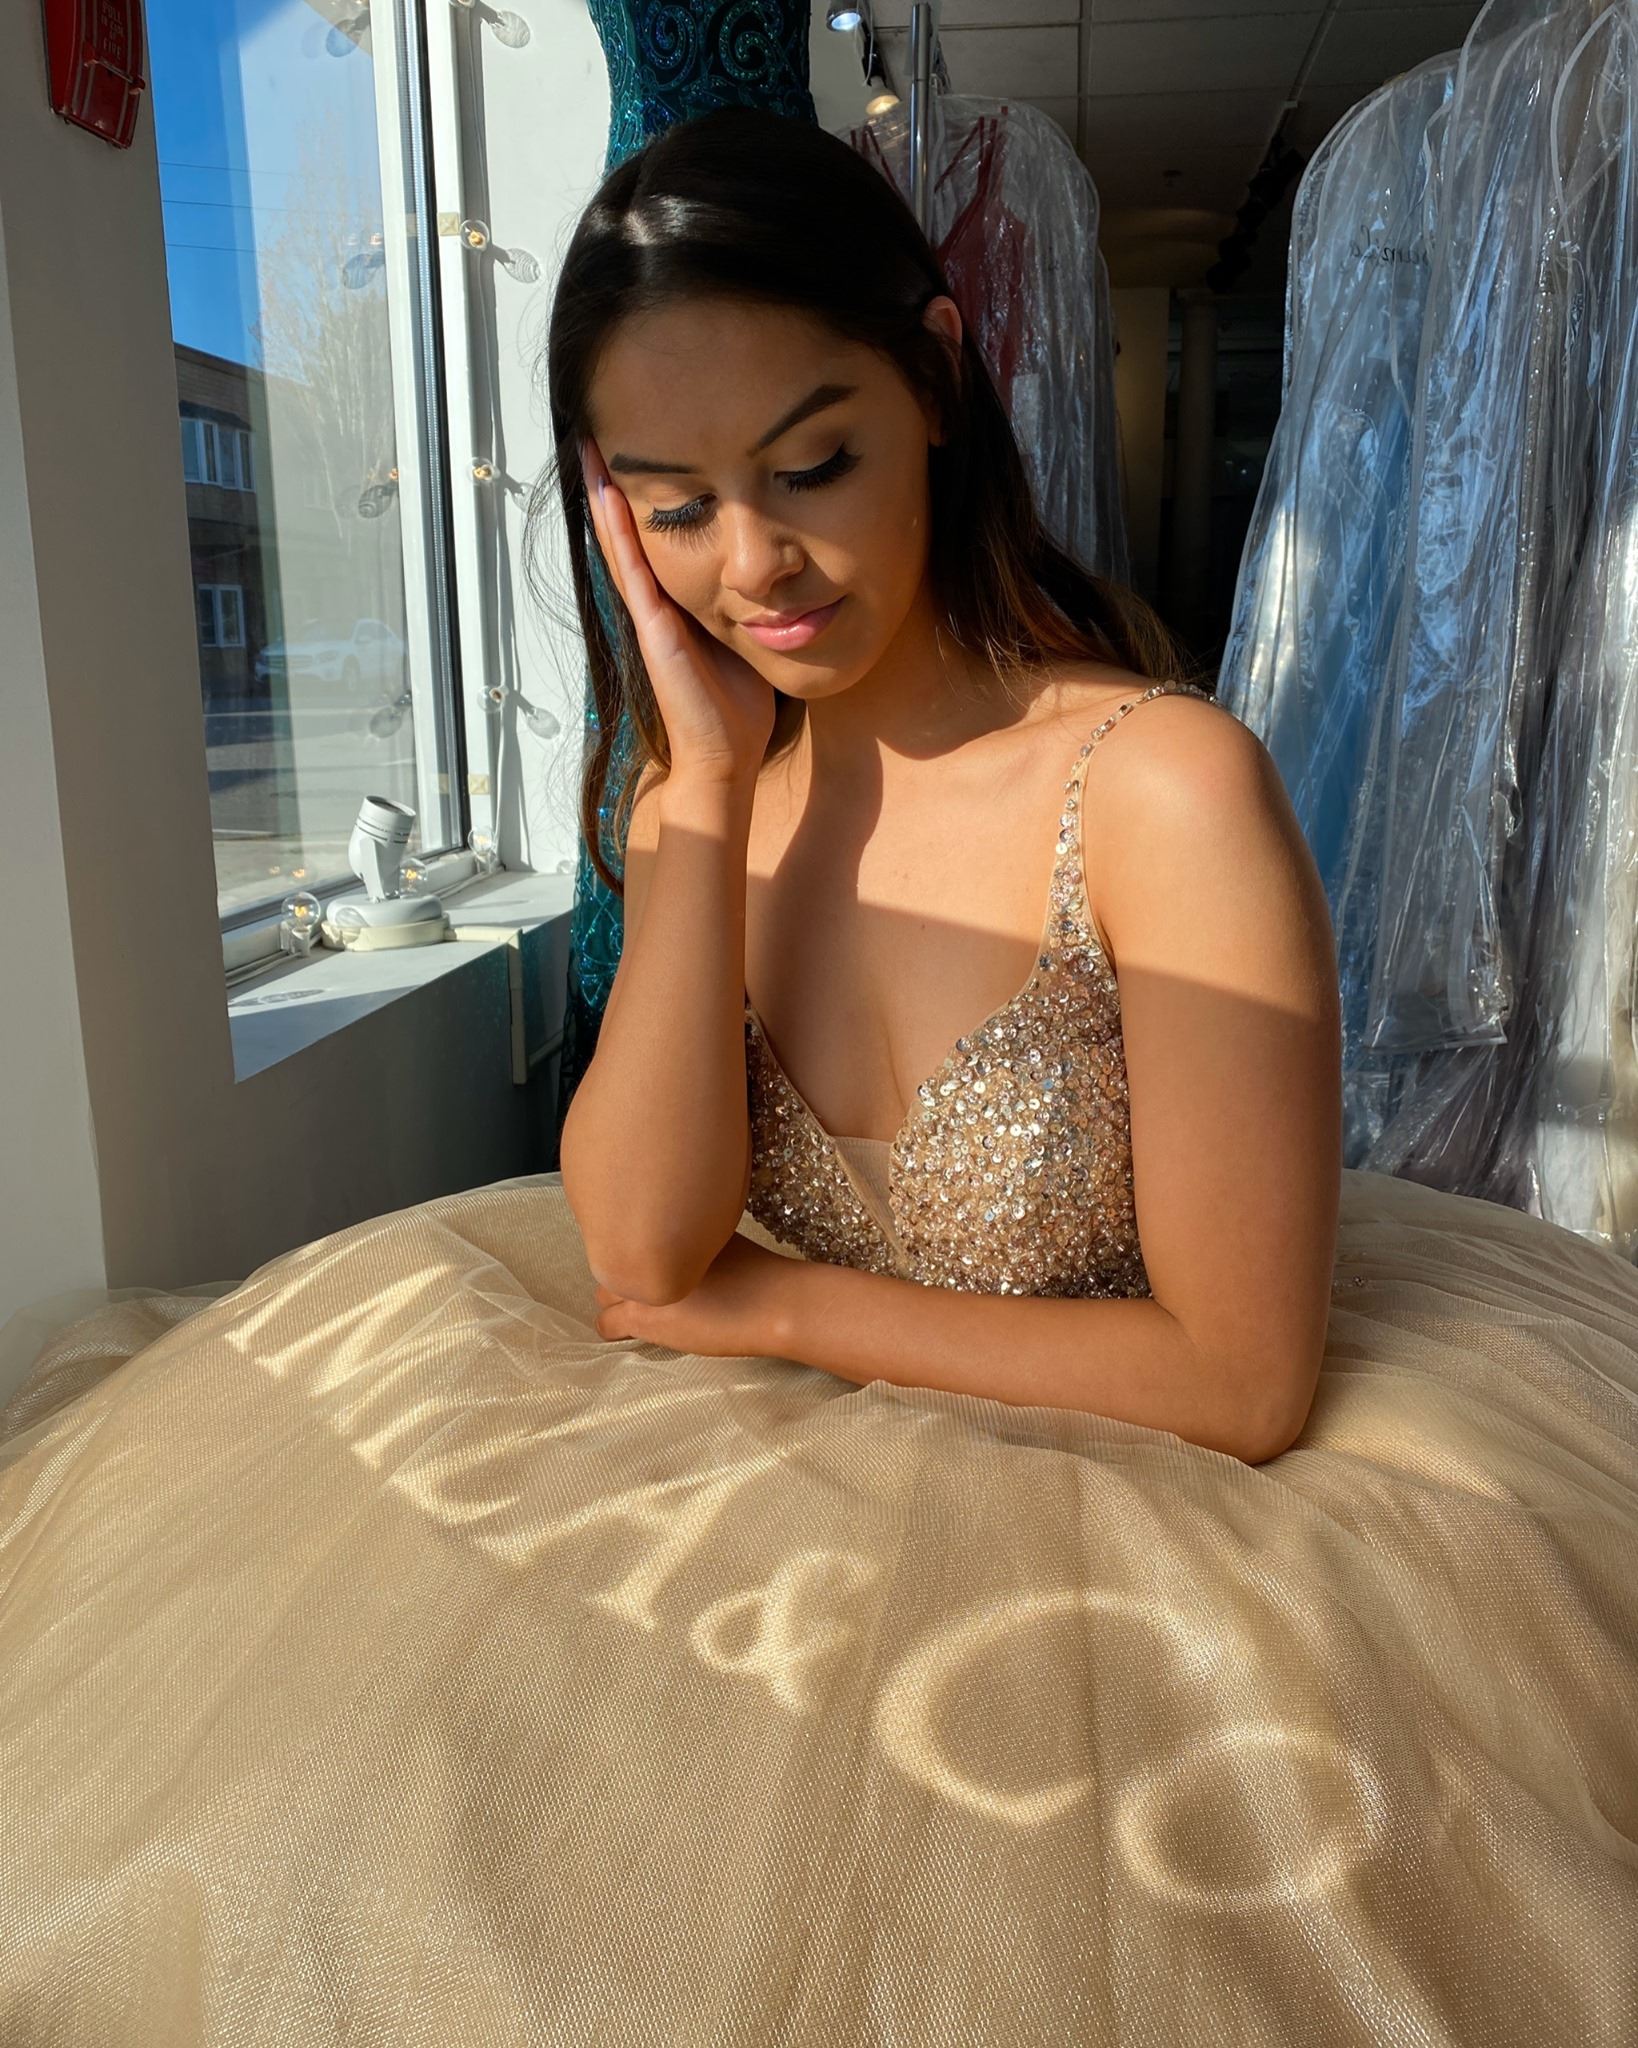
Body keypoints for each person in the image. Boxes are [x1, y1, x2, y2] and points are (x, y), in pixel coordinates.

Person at [1, 104, 1636, 2046]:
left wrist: (773, 1308)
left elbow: (1239, 1375)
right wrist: (691, 801)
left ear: (938, 381)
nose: (752, 562)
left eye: (812, 465)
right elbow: (635, 1237)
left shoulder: (1159, 786)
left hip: (1135, 1524)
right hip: (739, 1459)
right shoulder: (707, 793)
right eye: (671, 501)